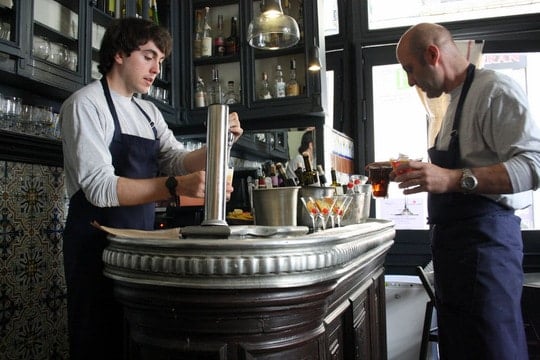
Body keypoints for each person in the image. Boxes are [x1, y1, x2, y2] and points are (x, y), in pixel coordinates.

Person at [59, 18, 243, 359]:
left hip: (138, 247)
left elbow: (175, 159)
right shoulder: (85, 105)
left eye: (160, 60)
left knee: (135, 340)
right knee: (97, 339)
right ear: (118, 54)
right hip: (94, 247)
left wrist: (221, 141)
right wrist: (176, 187)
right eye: (148, 56)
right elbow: (100, 189)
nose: (157, 68)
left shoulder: (148, 111)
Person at [392, 23, 540, 359]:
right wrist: (427, 173)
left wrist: (451, 180)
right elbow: (459, 168)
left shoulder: (495, 90)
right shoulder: (453, 102)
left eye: (410, 70)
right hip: (454, 256)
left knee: (493, 350)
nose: (412, 81)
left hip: (488, 251)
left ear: (433, 54)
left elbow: (534, 166)